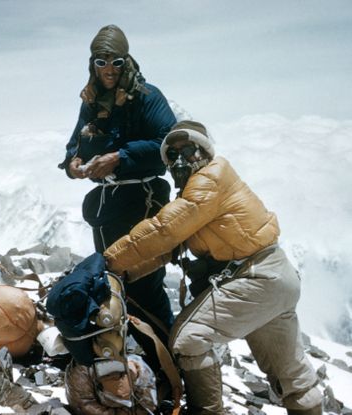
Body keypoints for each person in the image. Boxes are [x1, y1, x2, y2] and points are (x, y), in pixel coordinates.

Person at [104, 120, 322, 415]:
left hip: (256, 277)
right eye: (173, 154)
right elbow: (168, 248)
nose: (181, 159)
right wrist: (123, 272)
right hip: (276, 279)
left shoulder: (209, 180)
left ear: (205, 152)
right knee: (292, 376)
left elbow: (163, 230)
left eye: (189, 150)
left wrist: (107, 261)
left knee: (188, 339)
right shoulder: (202, 190)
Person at [58, 24, 177, 337]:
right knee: (114, 280)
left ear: (127, 61)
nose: (109, 69)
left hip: (143, 202)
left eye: (116, 62)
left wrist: (120, 157)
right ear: (92, 64)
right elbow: (74, 146)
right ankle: (134, 359)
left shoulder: (147, 97)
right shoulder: (91, 102)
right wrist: (74, 164)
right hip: (108, 209)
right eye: (101, 62)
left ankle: (170, 363)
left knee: (145, 283)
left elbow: (168, 142)